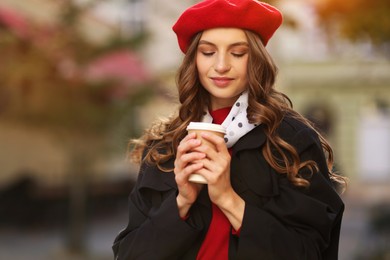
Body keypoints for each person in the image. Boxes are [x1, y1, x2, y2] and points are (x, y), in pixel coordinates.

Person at [113, 0, 346, 259]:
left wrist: (227, 198)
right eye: (208, 52)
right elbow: (129, 254)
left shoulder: (291, 140)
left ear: (256, 59)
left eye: (237, 53)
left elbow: (310, 253)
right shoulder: (164, 146)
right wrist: (182, 201)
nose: (221, 65)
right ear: (194, 60)